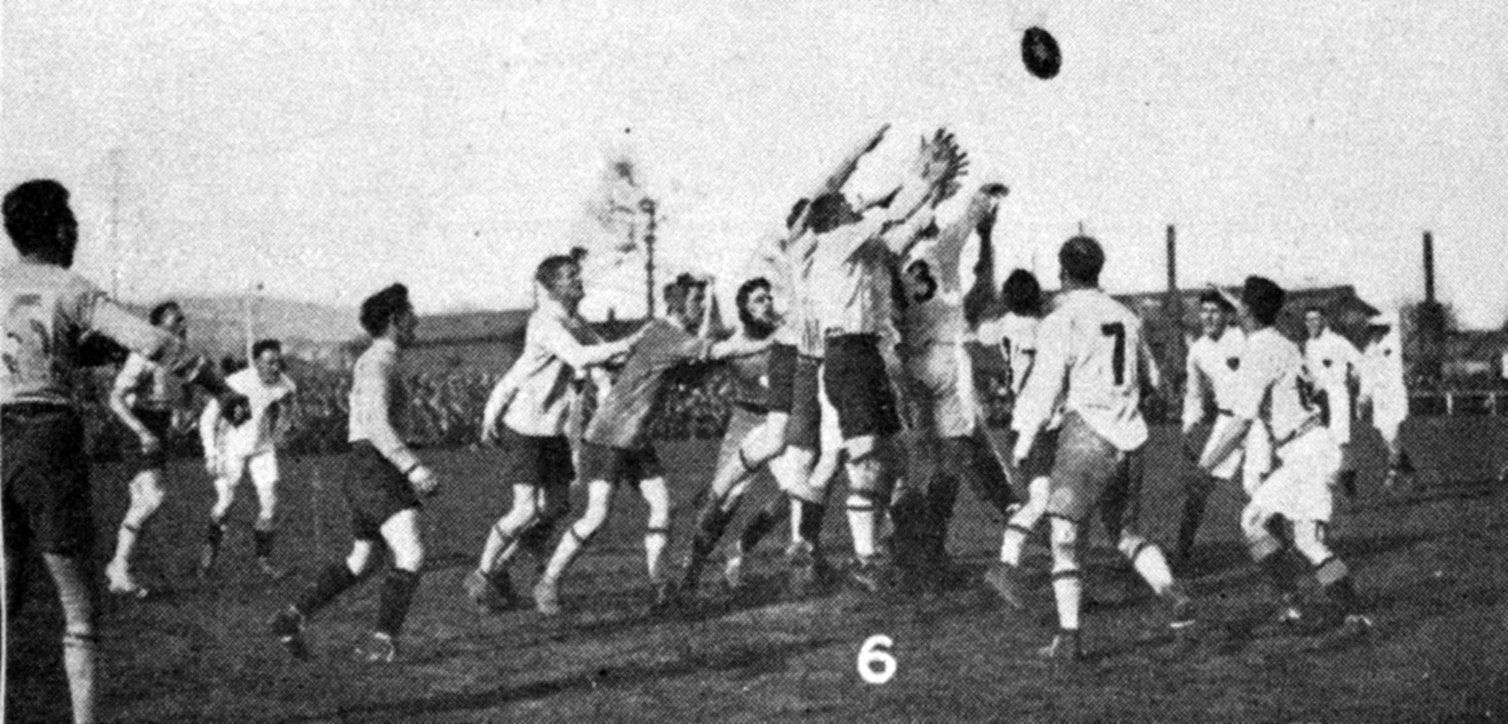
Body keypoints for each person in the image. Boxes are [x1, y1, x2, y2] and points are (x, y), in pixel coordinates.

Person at [3, 179, 249, 724]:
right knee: (79, 613)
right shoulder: (73, 288)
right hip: (46, 441)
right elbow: (158, 344)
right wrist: (223, 389)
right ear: (63, 230)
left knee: (5, 602)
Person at [791, 128, 968, 592]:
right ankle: (863, 557)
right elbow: (892, 213)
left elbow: (903, 230)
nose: (856, 207)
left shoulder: (862, 249)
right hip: (847, 354)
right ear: (835, 219)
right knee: (865, 458)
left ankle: (864, 547)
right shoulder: (835, 241)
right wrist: (924, 178)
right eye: (849, 206)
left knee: (891, 456)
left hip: (868, 354)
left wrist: (935, 194)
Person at [532, 274, 772, 616]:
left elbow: (703, 353)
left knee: (661, 504)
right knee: (596, 516)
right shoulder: (667, 335)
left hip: (636, 438)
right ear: (677, 304)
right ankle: (549, 581)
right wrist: (775, 340)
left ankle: (662, 589)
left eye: (703, 301)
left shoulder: (668, 334)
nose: (701, 307)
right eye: (695, 301)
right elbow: (721, 348)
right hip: (610, 435)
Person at [1003, 235, 1194, 661]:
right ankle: (1174, 596)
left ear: (1063, 271)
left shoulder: (1060, 319)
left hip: (1087, 434)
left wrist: (1025, 440)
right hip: (1132, 436)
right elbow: (1155, 382)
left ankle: (1069, 639)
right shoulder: (1127, 316)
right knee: (1125, 534)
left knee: (1064, 536)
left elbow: (1045, 388)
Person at [270, 284, 439, 663]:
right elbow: (376, 425)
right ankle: (382, 640)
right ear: (395, 320)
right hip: (375, 468)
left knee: (363, 560)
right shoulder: (378, 362)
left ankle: (290, 618)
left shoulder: (381, 360)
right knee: (410, 552)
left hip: (367, 469)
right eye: (411, 313)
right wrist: (412, 466)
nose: (417, 320)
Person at [1201, 277, 1373, 645]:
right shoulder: (1284, 342)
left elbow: (1242, 422)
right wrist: (1228, 294)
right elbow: (1256, 313)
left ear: (1246, 311)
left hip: (1306, 451)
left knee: (1302, 539)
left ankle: (1350, 614)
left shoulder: (1259, 351)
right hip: (1309, 445)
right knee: (1258, 523)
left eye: (1240, 305)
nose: (1237, 310)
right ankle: (1296, 604)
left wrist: (1206, 466)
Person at [464, 254, 633, 612]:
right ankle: (481, 573)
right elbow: (582, 357)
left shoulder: (575, 321)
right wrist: (629, 343)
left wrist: (642, 351)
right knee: (526, 509)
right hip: (525, 427)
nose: (579, 280)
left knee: (556, 505)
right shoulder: (544, 322)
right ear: (553, 287)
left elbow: (604, 358)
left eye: (578, 274)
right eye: (571, 276)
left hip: (550, 431)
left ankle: (502, 567)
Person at [891, 183, 1016, 585]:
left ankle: (905, 543)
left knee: (919, 459)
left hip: (910, 362)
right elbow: (968, 218)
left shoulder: (890, 261)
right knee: (953, 455)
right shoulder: (938, 250)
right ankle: (930, 548)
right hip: (946, 356)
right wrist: (985, 200)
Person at [679, 276, 785, 595]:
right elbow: (707, 337)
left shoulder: (786, 331)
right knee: (725, 502)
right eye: (758, 300)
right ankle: (693, 566)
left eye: (768, 297)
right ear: (744, 310)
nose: (766, 303)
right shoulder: (735, 339)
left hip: (781, 421)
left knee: (797, 493)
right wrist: (711, 294)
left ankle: (738, 550)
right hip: (745, 421)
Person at [976, 269, 1060, 598]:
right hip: (1040, 424)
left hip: (1024, 422)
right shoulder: (1041, 328)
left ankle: (1064, 577)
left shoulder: (1003, 325)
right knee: (1043, 501)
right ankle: (1006, 564)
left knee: (1052, 503)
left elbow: (980, 332)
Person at [1171, 289, 1270, 569]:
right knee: (1198, 486)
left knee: (1256, 489)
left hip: (1255, 422)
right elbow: (1194, 394)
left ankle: (1279, 550)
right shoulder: (1198, 349)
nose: (1208, 316)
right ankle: (1181, 555)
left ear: (1228, 315)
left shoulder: (1243, 338)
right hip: (1227, 421)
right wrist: (1189, 423)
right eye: (1204, 311)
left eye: (1215, 311)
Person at [104, 301, 193, 598]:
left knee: (142, 501)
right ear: (157, 329)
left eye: (182, 319)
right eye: (175, 321)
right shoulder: (144, 356)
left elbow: (183, 390)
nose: (182, 325)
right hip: (136, 426)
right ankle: (119, 567)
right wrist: (141, 431)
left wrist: (181, 414)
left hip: (156, 426)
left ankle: (121, 571)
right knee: (153, 498)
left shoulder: (179, 356)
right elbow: (115, 399)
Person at [198, 338, 299, 578]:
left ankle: (264, 562)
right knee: (225, 505)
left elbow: (287, 410)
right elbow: (207, 419)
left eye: (278, 362)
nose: (275, 368)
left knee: (270, 505)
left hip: (262, 449)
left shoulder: (285, 385)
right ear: (256, 363)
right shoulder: (235, 383)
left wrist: (285, 427)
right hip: (230, 448)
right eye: (269, 362)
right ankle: (209, 552)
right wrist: (210, 454)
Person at [1303, 306, 1362, 497]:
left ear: (1324, 320)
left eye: (1315, 319)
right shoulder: (1308, 345)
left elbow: (1359, 361)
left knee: (1340, 441)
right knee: (1320, 440)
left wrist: (1352, 379)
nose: (1312, 323)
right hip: (1318, 399)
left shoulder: (1338, 341)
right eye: (1308, 320)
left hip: (1337, 397)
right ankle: (1326, 483)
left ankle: (1348, 483)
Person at [1357, 313, 1414, 490]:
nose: (1375, 333)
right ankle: (1409, 472)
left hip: (1394, 396)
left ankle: (1391, 476)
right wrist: (1364, 397)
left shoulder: (1392, 345)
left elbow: (1392, 368)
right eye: (1373, 330)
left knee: (1392, 435)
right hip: (1379, 399)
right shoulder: (1369, 351)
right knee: (1386, 438)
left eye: (1379, 329)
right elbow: (1367, 376)